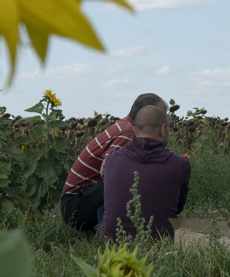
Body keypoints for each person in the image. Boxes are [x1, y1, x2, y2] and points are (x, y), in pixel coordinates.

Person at [61, 93, 167, 231]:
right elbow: (107, 170)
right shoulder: (128, 132)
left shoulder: (124, 126)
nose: (165, 122)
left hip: (82, 198)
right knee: (124, 183)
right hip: (74, 205)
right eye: (161, 116)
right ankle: (108, 233)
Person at [100, 105, 191, 240]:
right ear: (162, 129)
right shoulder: (179, 164)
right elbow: (177, 208)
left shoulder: (112, 158)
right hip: (158, 244)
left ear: (135, 130)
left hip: (111, 244)